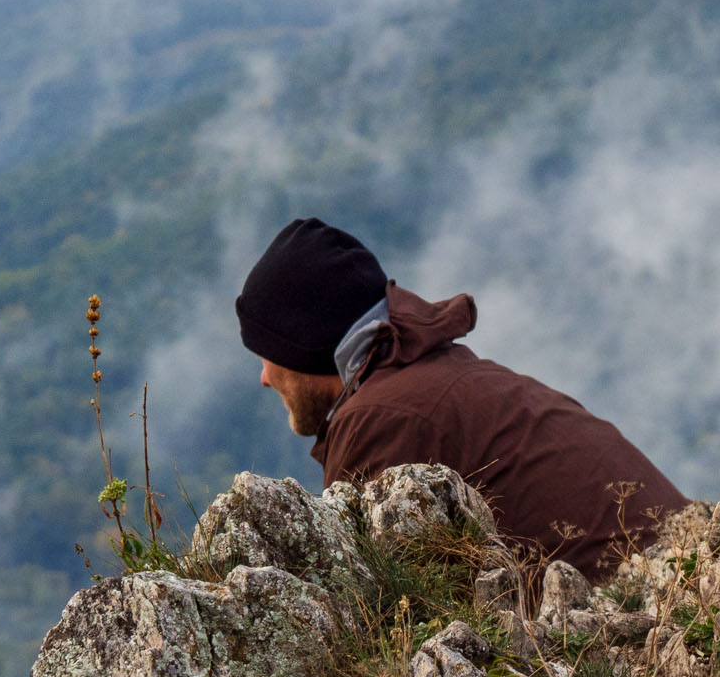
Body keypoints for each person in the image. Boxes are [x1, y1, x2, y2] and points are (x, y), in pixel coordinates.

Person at [236, 218, 689, 579]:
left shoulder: (379, 421)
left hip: (651, 616)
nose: (263, 378)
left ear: (304, 348)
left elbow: (387, 618)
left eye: (268, 355)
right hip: (698, 568)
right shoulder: (428, 373)